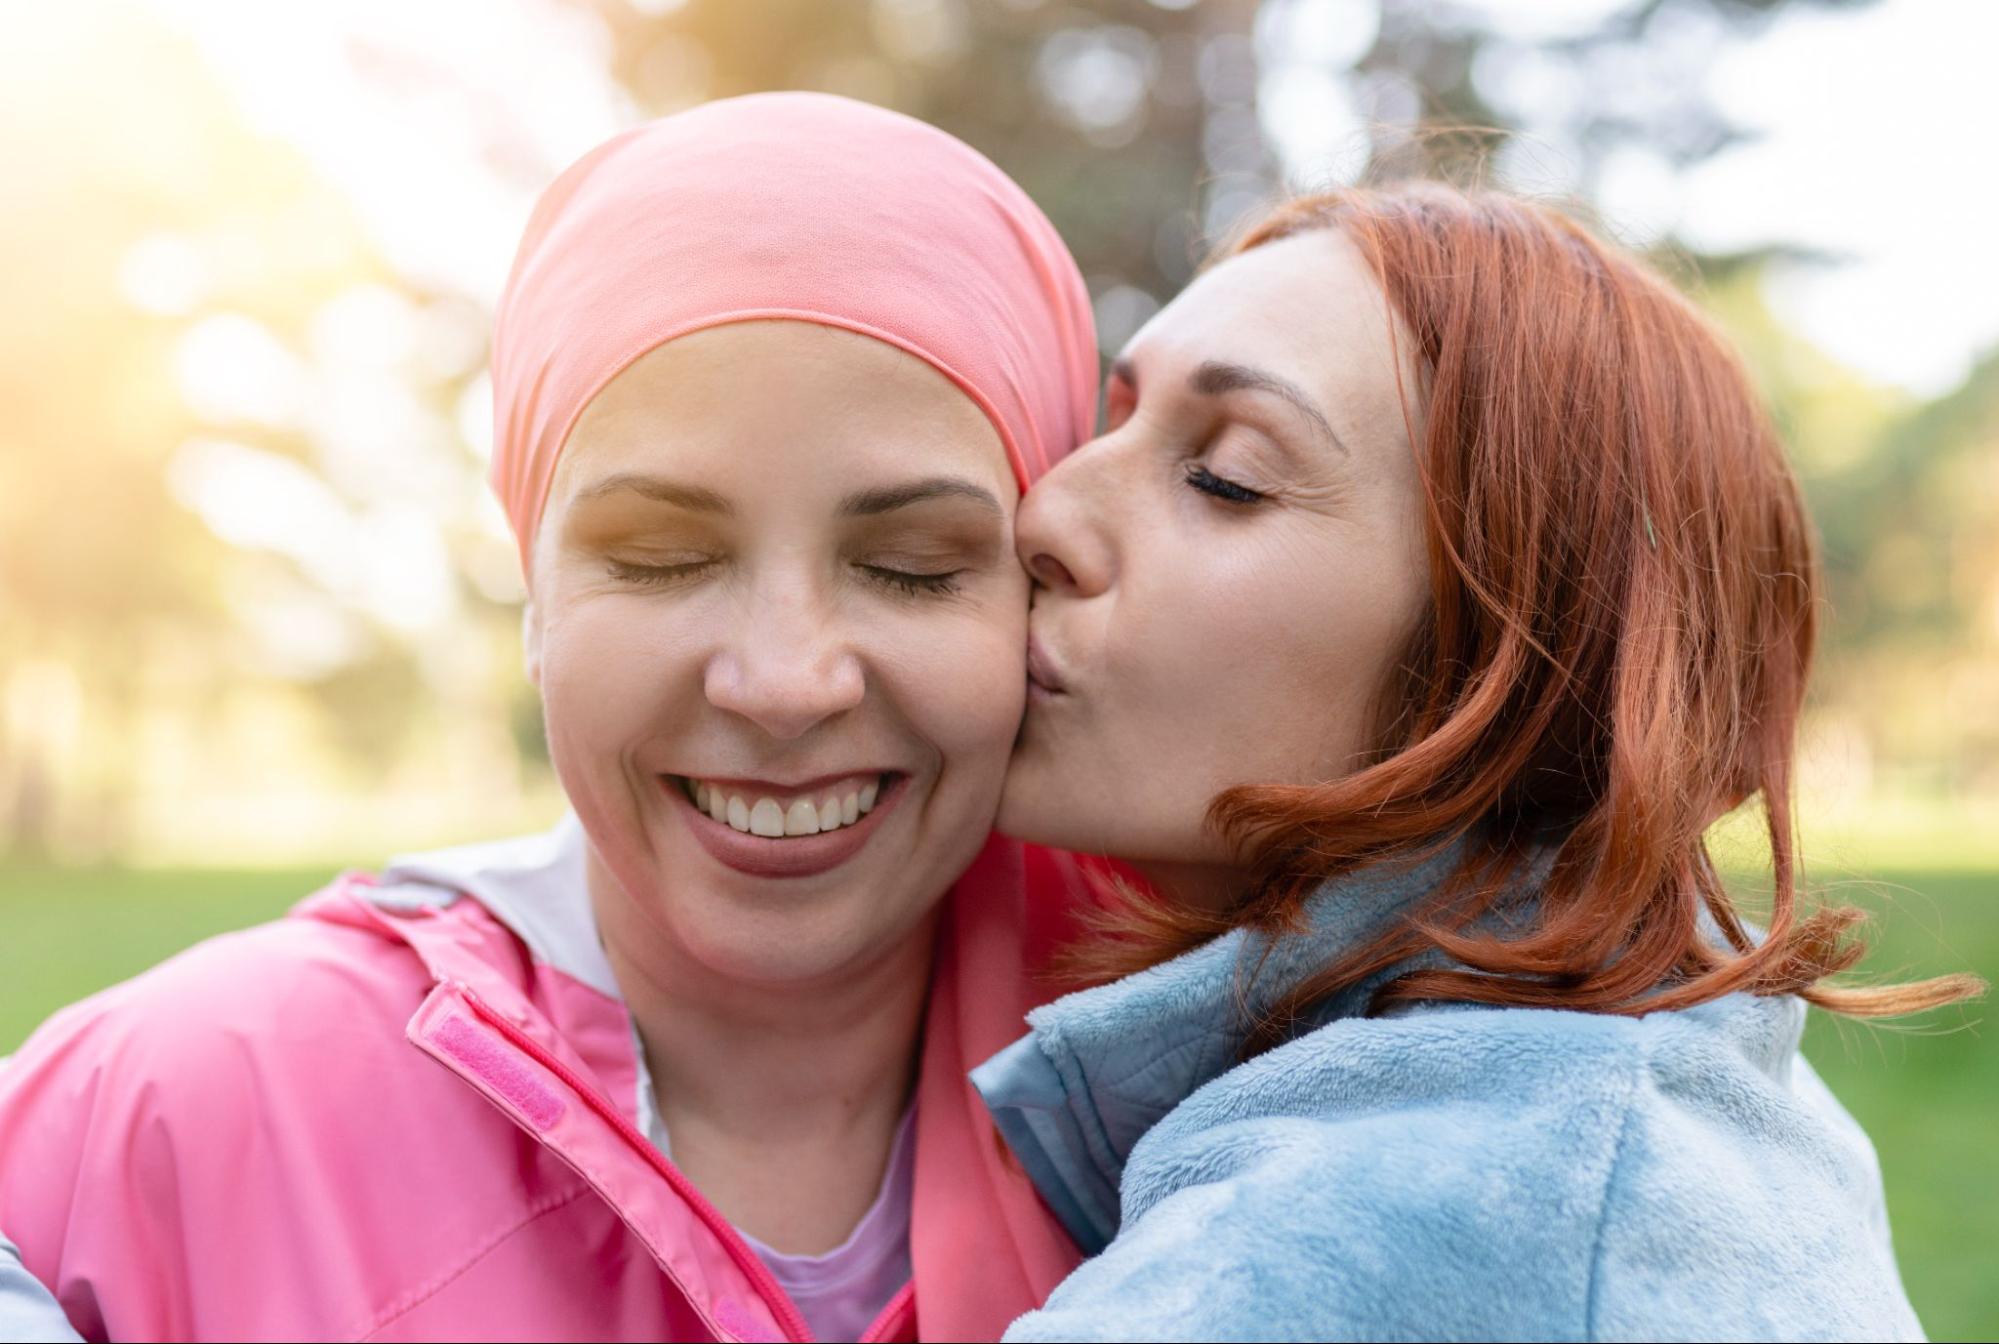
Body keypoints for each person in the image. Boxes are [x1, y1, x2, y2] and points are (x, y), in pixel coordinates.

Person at [0, 92, 1097, 1343]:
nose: (785, 683)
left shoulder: (1224, 1075)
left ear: (1041, 589)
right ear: (535, 594)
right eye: (661, 557)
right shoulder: (192, 1100)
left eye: (909, 563)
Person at [973, 182, 1981, 1341]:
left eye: (1225, 476)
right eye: (1108, 423)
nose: (1041, 511)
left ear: (1528, 658)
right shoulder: (1647, 1090)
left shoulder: (1403, 1215)